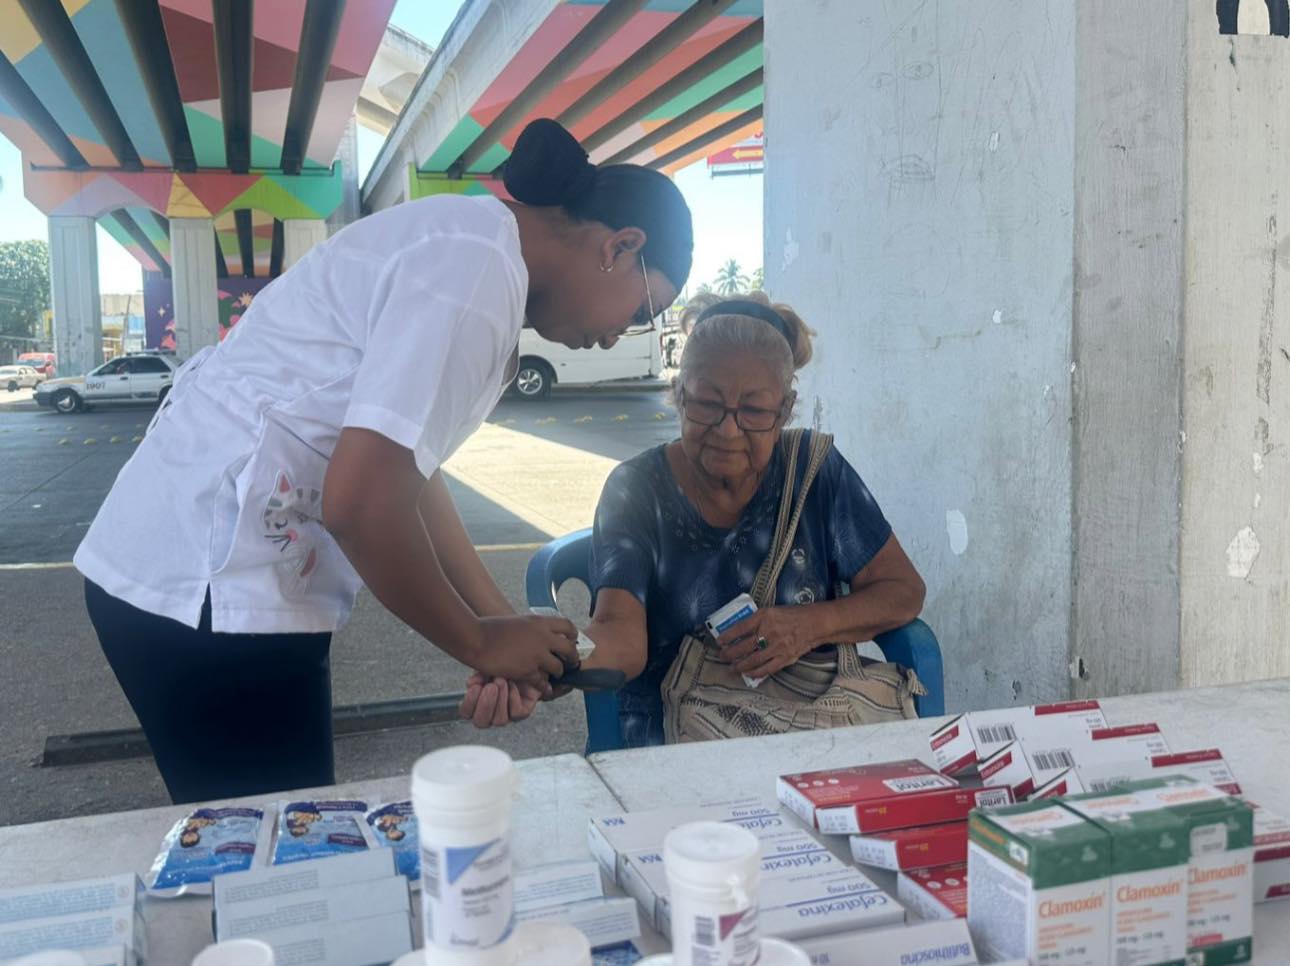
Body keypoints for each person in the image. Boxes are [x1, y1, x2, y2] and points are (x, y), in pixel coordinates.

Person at [75, 118, 693, 801]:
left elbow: (411, 483)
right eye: (644, 312)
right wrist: (478, 643)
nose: (618, 338)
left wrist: (504, 632)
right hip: (205, 589)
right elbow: (363, 506)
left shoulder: (477, 254)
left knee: (276, 847)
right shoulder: (477, 267)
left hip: (205, 584)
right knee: (274, 865)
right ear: (621, 247)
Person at [461, 292, 925, 745]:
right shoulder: (637, 489)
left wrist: (804, 627)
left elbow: (902, 591)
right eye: (707, 403)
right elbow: (620, 632)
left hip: (811, 726)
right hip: (669, 734)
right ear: (679, 395)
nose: (728, 430)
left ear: (784, 411)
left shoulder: (815, 471)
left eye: (754, 410)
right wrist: (547, 667)